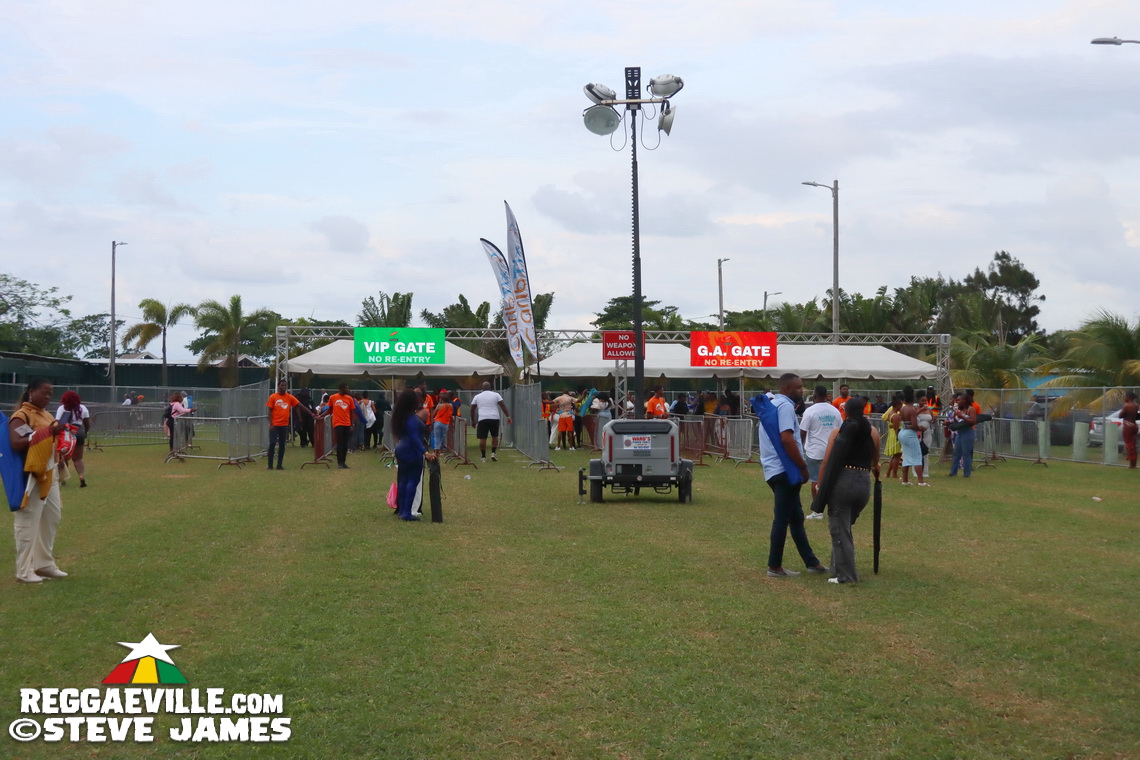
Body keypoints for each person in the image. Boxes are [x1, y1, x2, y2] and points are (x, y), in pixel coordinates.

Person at [756, 373, 828, 578]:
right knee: (782, 518)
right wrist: (803, 467)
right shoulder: (786, 406)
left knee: (795, 516)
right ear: (787, 389)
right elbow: (787, 438)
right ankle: (774, 566)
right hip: (785, 469)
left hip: (772, 468)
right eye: (798, 387)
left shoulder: (772, 404)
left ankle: (812, 563)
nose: (802, 390)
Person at [812, 397, 881, 584]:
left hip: (844, 481)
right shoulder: (873, 431)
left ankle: (846, 576)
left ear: (845, 412)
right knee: (844, 527)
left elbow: (827, 462)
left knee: (840, 530)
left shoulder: (838, 432)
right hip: (863, 482)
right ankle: (837, 567)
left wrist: (820, 485)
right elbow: (876, 461)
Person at [9, 378, 69, 583]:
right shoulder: (22, 415)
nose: (48, 397)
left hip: (49, 471)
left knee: (52, 517)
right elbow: (17, 443)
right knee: (28, 520)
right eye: (44, 392)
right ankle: (24, 570)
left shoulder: (46, 414)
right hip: (31, 474)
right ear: (30, 392)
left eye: (50, 393)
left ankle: (43, 564)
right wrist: (47, 432)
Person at [390, 389, 437, 521]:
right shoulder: (411, 418)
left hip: (401, 448)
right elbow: (414, 438)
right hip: (412, 450)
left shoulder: (401, 417)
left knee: (404, 481)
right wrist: (425, 452)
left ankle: (403, 511)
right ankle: (406, 513)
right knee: (413, 481)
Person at [800, 385, 843, 514]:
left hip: (815, 452)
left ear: (814, 396)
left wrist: (800, 448)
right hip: (832, 451)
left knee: (815, 480)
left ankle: (817, 511)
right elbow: (841, 430)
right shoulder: (835, 411)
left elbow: (803, 432)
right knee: (832, 480)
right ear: (826, 396)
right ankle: (833, 508)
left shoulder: (810, 411)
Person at [266, 381, 314, 470]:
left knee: (282, 445)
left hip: (284, 425)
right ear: (278, 386)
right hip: (275, 425)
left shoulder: (289, 397)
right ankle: (270, 465)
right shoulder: (273, 397)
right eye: (282, 385)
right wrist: (271, 423)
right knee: (272, 443)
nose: (283, 387)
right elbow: (269, 411)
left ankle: (279, 465)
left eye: (285, 385)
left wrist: (311, 413)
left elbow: (300, 405)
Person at [55, 391, 91, 488]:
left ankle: (62, 479)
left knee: (63, 457)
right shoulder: (83, 408)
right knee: (78, 459)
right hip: (79, 432)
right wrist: (85, 433)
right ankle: (81, 476)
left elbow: (58, 423)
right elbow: (87, 424)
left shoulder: (62, 408)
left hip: (66, 433)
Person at [470, 382, 511, 462]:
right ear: (490, 387)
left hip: (482, 418)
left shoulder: (477, 396)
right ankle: (493, 453)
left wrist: (473, 420)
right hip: (494, 418)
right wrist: (508, 416)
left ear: (482, 388)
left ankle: (483, 456)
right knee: (495, 436)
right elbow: (502, 405)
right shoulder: (496, 395)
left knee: (482, 438)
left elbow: (472, 409)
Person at [319, 384, 357, 469]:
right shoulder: (333, 397)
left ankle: (343, 462)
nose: (347, 389)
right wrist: (321, 416)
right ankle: (339, 463)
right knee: (340, 443)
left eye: (348, 388)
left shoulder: (349, 399)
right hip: (338, 423)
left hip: (347, 423)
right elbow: (330, 410)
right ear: (341, 389)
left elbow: (351, 412)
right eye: (346, 388)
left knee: (345, 444)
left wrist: (352, 424)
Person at [898, 385, 928, 486]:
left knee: (906, 457)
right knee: (917, 456)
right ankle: (921, 481)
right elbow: (914, 425)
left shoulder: (903, 408)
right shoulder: (911, 409)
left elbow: (905, 421)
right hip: (910, 435)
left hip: (903, 432)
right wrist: (921, 428)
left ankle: (905, 480)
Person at [948, 395, 978, 478]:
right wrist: (953, 418)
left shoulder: (970, 409)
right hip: (959, 433)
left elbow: (973, 421)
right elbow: (956, 421)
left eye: (959, 400)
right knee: (956, 453)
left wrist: (962, 417)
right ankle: (953, 472)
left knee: (966, 454)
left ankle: (967, 473)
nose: (957, 402)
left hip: (968, 433)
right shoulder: (958, 410)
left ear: (964, 400)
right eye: (956, 400)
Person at [882, 395, 903, 480]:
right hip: (896, 436)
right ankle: (894, 474)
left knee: (895, 456)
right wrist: (899, 438)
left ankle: (888, 473)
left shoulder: (891, 414)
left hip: (892, 436)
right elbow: (896, 428)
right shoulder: (895, 415)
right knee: (897, 456)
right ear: (897, 405)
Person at [1121, 391, 1138, 469]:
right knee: (1133, 445)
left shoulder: (1126, 405)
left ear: (1128, 397)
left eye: (1125, 396)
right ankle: (1133, 464)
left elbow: (1120, 415)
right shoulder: (1136, 405)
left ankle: (1132, 465)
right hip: (1134, 426)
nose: (1124, 398)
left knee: (1129, 445)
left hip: (1128, 426)